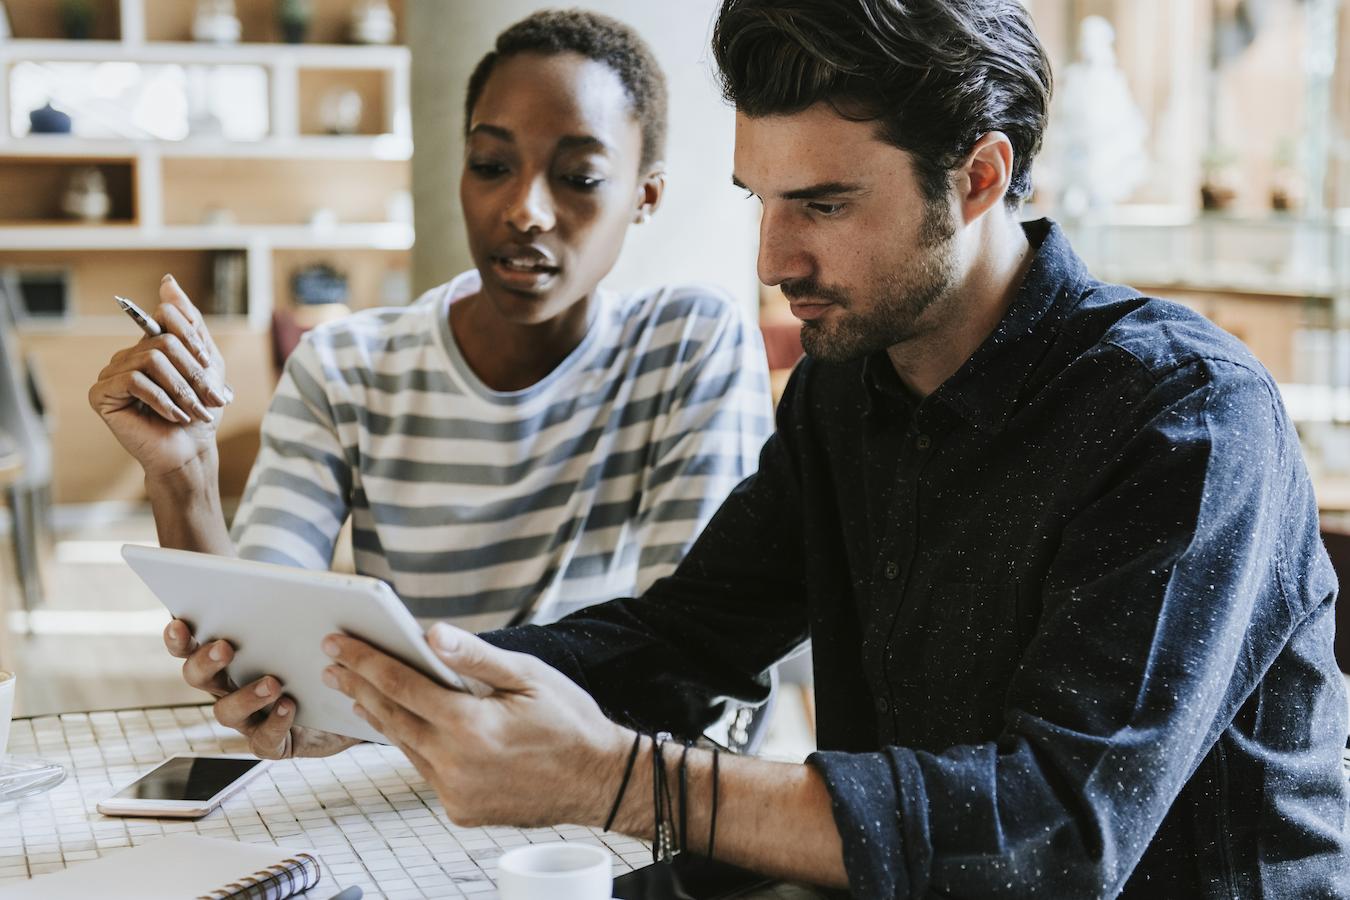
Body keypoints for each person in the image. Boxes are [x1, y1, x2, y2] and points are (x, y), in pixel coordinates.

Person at [309, 0, 1350, 895]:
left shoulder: (1187, 418)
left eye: (824, 203)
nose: (772, 257)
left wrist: (614, 778)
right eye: (759, 199)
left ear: (979, 177)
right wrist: (379, 677)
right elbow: (687, 635)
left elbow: (1058, 835)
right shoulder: (846, 384)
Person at [88, 11, 773, 758]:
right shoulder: (345, 365)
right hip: (406, 784)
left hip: (598, 774)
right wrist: (183, 472)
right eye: (490, 164)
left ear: (645, 196)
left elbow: (683, 656)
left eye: (578, 177)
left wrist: (381, 697)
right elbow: (266, 658)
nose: (524, 210)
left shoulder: (688, 343)